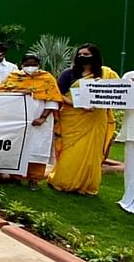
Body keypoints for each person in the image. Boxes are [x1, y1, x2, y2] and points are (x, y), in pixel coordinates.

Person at [48, 44, 119, 195]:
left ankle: (86, 185)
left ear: (95, 56)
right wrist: (76, 104)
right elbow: (58, 94)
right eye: (80, 54)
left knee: (92, 154)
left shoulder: (107, 74)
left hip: (96, 119)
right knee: (70, 152)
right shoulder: (69, 74)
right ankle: (63, 181)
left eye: (86, 54)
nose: (82, 57)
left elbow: (118, 93)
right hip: (73, 118)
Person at [0, 55, 63, 184]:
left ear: (38, 65)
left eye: (33, 64)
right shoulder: (14, 77)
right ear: (22, 65)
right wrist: (19, 91)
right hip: (19, 119)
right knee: (17, 147)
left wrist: (43, 118)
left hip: (40, 121)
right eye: (27, 64)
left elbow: (53, 99)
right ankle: (15, 176)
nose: (30, 66)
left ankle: (34, 178)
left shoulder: (47, 78)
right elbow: (0, 93)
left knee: (38, 148)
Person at [117, 69, 134, 213]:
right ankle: (129, 198)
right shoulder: (130, 76)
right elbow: (119, 101)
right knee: (131, 168)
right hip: (132, 129)